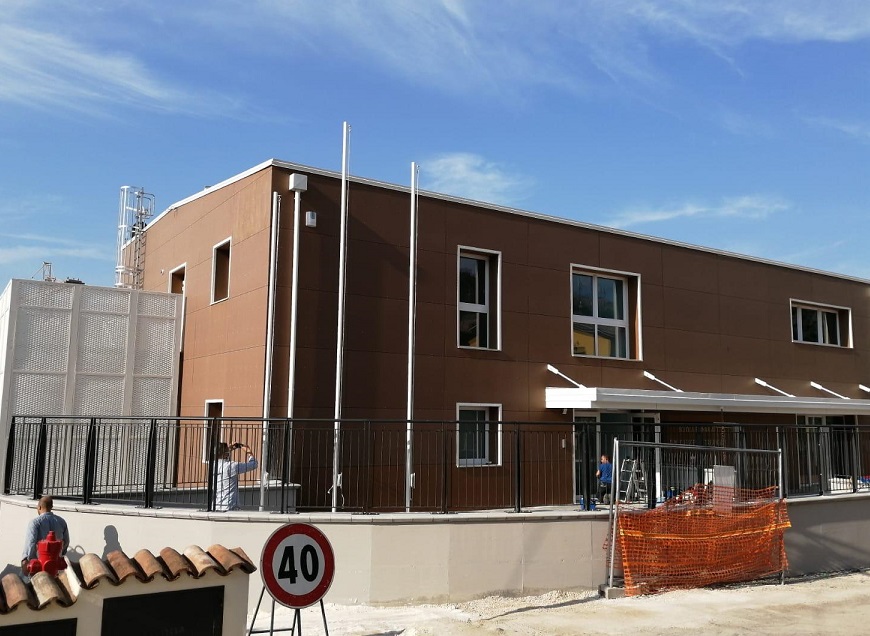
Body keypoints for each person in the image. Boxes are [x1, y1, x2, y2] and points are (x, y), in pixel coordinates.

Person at [21, 496, 69, 568]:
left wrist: (29, 561)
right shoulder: (61, 521)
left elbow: (31, 543)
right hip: (55, 564)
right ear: (51, 507)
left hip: (38, 564)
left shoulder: (35, 523)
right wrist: (61, 554)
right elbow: (66, 541)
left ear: (39, 507)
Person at [214, 441, 258, 511]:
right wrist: (249, 453)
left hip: (217, 505)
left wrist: (229, 450)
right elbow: (254, 464)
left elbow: (222, 457)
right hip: (230, 506)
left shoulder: (213, 466)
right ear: (226, 453)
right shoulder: (231, 466)